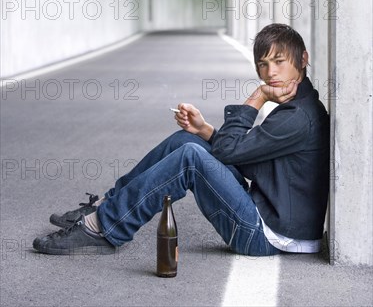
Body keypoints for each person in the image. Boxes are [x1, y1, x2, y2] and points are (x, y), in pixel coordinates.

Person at [33, 23, 330, 256]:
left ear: (302, 59)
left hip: (269, 237)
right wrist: (204, 130)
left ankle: (104, 226)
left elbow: (231, 151)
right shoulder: (297, 108)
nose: (270, 72)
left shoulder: (297, 117)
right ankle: (107, 204)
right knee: (185, 140)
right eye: (263, 65)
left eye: (279, 61)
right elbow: (244, 157)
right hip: (270, 218)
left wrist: (258, 96)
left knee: (191, 157)